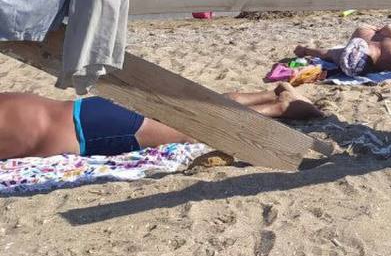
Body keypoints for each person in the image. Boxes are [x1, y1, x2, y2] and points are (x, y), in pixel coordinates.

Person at [0, 85, 322, 162]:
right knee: (192, 108)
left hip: (92, 135)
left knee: (195, 129)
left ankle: (279, 108)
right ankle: (266, 93)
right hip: (88, 108)